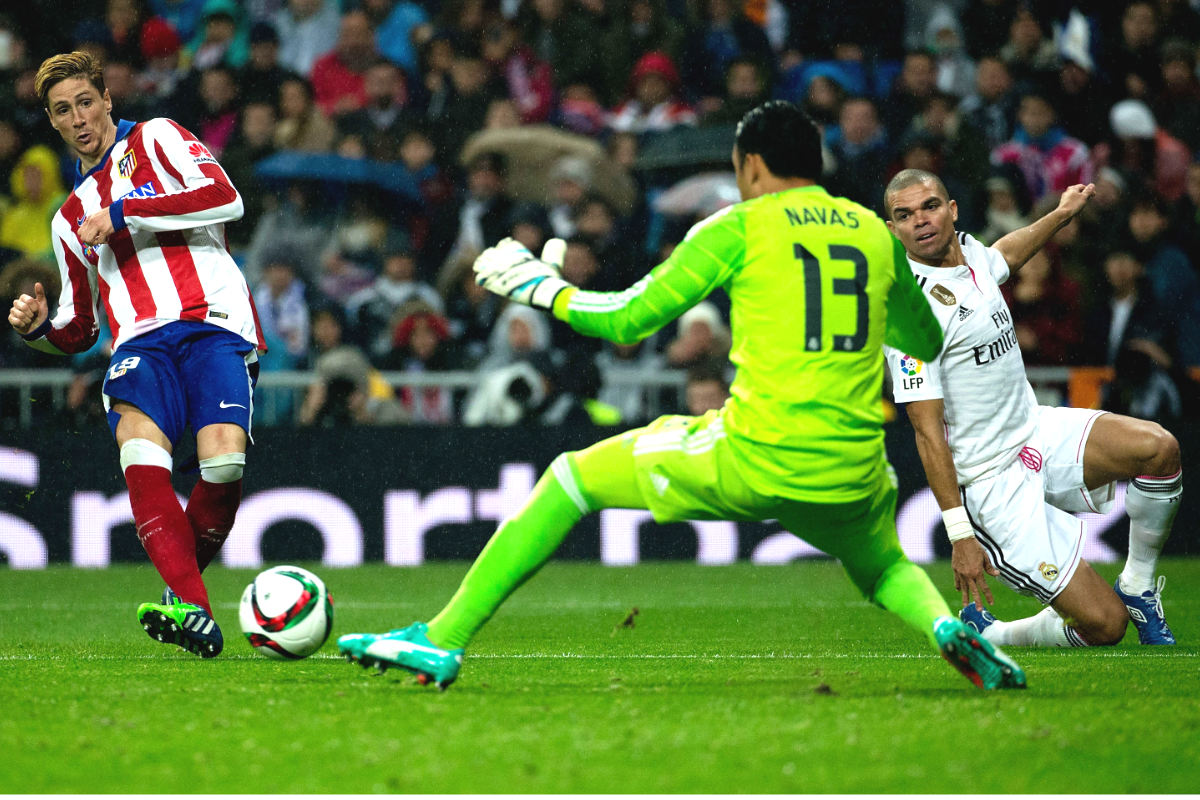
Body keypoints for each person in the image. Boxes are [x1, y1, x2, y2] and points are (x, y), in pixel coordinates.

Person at [338, 101, 1026, 691]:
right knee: (880, 563)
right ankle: (944, 625)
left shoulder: (740, 226)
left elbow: (626, 319)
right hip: (854, 465)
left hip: (759, 451)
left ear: (752, 165)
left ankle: (442, 636)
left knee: (569, 479)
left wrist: (539, 289)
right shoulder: (875, 234)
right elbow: (927, 342)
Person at [6, 51, 262, 658]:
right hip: (138, 341)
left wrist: (123, 212)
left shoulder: (159, 137)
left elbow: (226, 198)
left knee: (223, 466)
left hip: (213, 319)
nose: (79, 118)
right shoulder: (68, 218)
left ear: (108, 100)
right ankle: (196, 612)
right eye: (63, 111)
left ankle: (180, 599)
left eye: (86, 103)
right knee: (140, 453)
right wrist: (42, 328)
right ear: (52, 121)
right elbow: (81, 327)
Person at [881, 168, 1182, 650]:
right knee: (1105, 627)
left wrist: (1060, 215)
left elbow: (1007, 254)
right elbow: (926, 433)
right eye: (905, 215)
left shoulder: (971, 252)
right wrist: (960, 535)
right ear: (893, 229)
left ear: (952, 209)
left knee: (1159, 450)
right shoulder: (910, 316)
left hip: (1035, 431)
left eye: (929, 206)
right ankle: (992, 631)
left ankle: (1139, 585)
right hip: (990, 481)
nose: (920, 220)